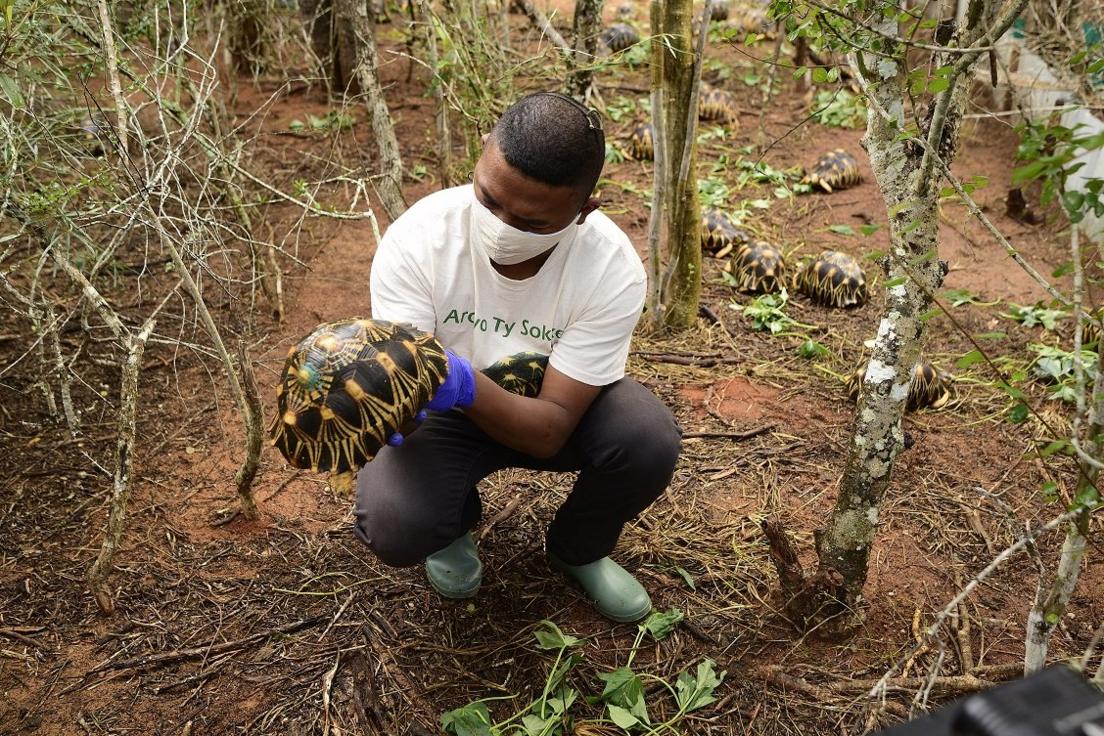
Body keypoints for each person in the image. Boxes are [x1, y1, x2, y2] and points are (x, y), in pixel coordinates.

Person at [354, 91, 682, 623]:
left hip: (552, 410)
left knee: (645, 438)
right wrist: (385, 407)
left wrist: (462, 380)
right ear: (484, 152)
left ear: (583, 211)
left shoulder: (611, 268)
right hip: (446, 415)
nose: (503, 227)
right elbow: (405, 385)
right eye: (489, 200)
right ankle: (450, 529)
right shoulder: (419, 239)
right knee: (395, 520)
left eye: (532, 224)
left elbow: (551, 428)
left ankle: (578, 549)